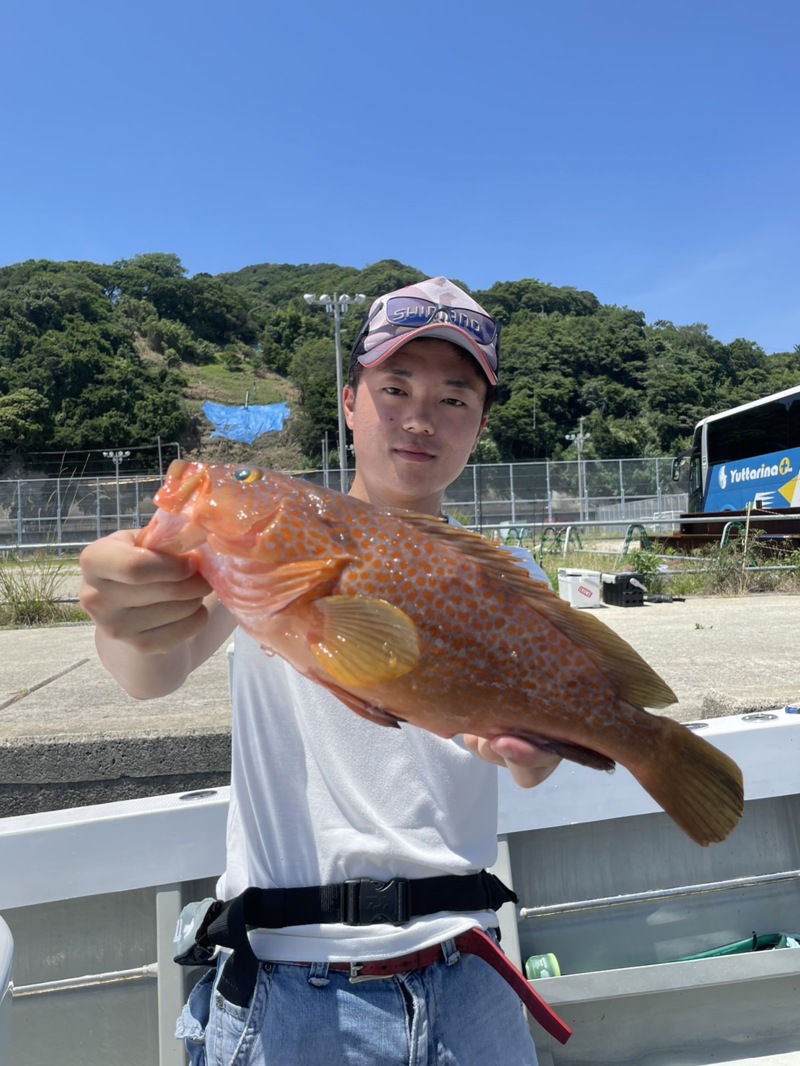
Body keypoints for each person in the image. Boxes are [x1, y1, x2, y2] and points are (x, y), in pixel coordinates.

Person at [79, 276, 563, 1065]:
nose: (419, 418)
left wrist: (541, 753)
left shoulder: (512, 579)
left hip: (471, 975)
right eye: (394, 387)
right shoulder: (278, 545)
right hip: (288, 989)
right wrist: (127, 611)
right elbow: (150, 668)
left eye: (454, 399)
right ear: (348, 401)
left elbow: (532, 762)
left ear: (479, 424)